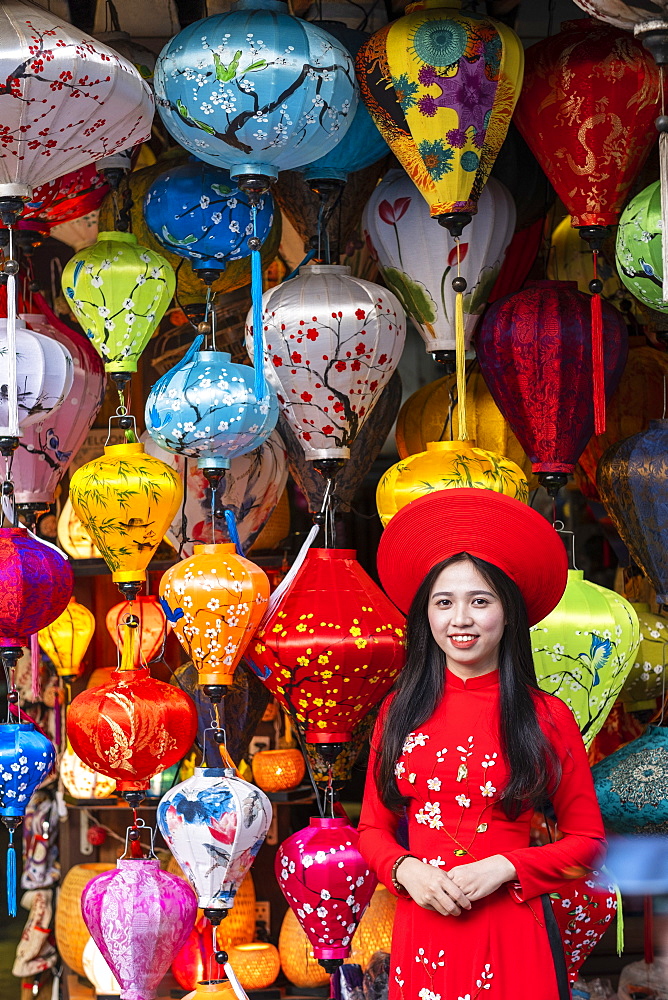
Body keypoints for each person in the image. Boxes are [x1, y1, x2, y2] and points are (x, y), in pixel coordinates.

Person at [358, 489, 606, 1000]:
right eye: (444, 602)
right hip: (422, 931)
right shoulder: (398, 711)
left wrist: (508, 866)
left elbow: (590, 846)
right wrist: (405, 870)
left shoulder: (545, 717)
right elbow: (370, 829)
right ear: (427, 614)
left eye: (480, 601)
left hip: (511, 931)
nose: (460, 620)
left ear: (509, 612)